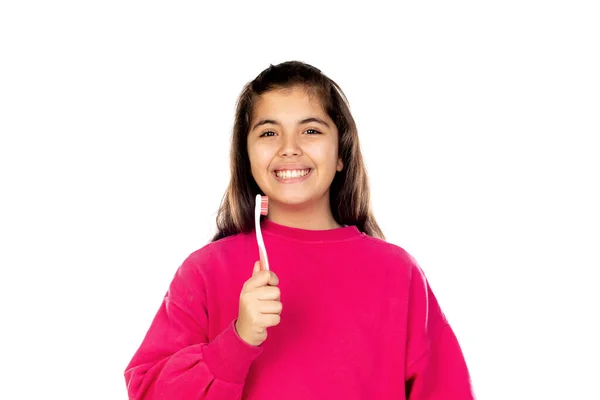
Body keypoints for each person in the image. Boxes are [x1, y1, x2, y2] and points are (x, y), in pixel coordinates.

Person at [124, 61, 475, 399]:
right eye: (269, 132)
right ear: (246, 156)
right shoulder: (204, 272)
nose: (289, 148)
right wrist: (236, 341)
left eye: (310, 130)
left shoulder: (399, 273)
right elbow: (148, 391)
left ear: (341, 153)